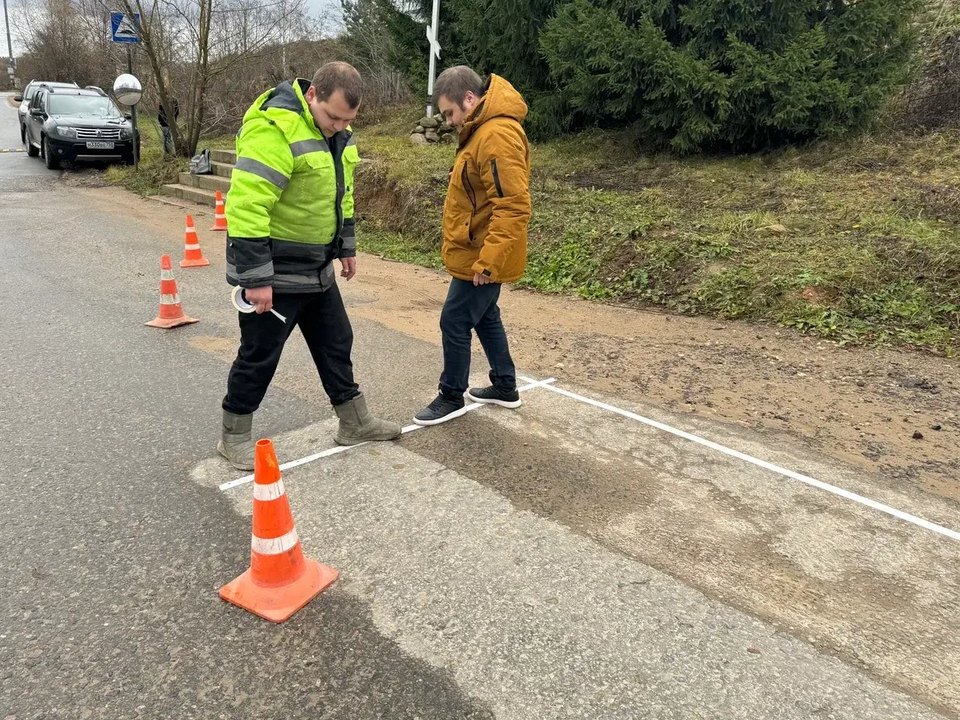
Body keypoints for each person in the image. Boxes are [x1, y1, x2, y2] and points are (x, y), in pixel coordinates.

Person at [219, 61, 401, 470]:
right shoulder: (274, 129)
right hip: (276, 271)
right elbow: (247, 206)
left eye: (348, 119)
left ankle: (354, 422)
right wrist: (256, 279)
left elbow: (342, 195)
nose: (339, 125)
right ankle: (234, 438)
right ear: (312, 95)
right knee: (259, 355)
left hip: (317, 268)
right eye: (333, 116)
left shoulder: (339, 134)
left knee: (337, 342)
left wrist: (346, 246)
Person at [414, 66, 531, 426]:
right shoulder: (480, 131)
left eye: (449, 113)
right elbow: (482, 183)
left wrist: (489, 262)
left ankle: (451, 396)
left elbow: (513, 205)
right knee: (485, 316)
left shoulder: (496, 134)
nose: (448, 122)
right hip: (475, 248)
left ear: (469, 99)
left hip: (483, 253)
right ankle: (505, 386)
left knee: (454, 319)